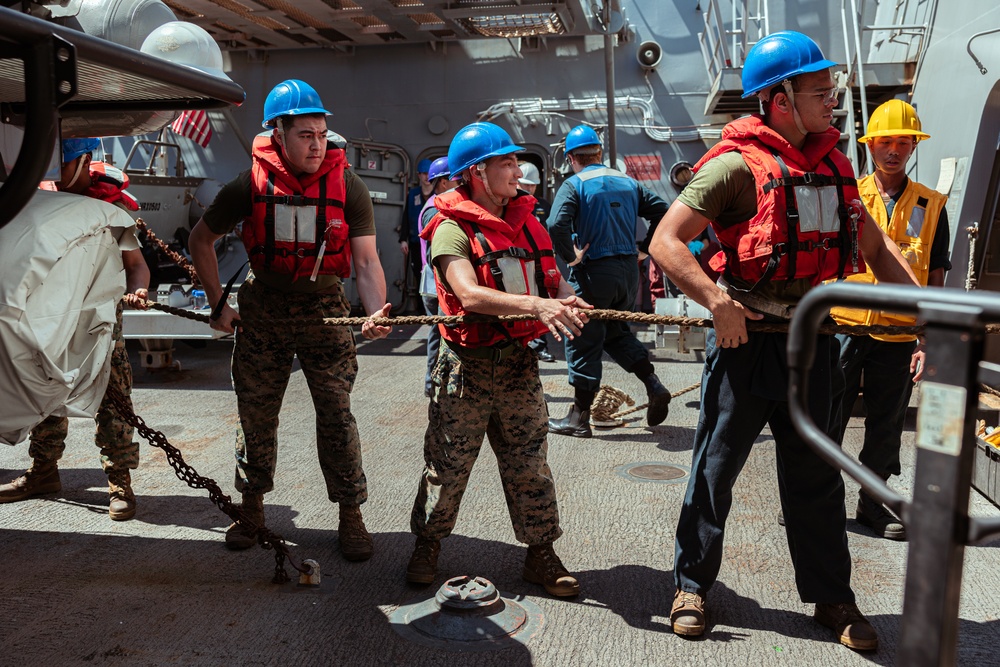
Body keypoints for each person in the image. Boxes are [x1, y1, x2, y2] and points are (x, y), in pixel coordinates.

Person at [648, 31, 919, 651]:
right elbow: (665, 242)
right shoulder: (731, 167)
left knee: (817, 476)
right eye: (820, 92)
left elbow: (874, 248)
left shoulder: (834, 166)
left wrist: (930, 312)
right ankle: (691, 585)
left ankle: (833, 598)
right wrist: (717, 302)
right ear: (779, 100)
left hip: (814, 346)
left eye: (831, 90)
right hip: (746, 344)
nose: (833, 102)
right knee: (715, 472)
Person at [188, 79, 391, 561]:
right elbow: (201, 240)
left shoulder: (349, 186)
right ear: (277, 134)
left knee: (337, 416)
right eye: (305, 134)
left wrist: (377, 312)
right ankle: (251, 507)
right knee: (255, 413)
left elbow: (365, 262)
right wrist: (218, 304)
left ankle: (350, 513)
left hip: (325, 311)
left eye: (322, 133)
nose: (317, 144)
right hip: (264, 310)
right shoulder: (248, 186)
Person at [406, 122, 590, 597]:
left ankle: (541, 553)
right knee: (446, 466)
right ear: (476, 174)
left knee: (530, 462)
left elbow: (553, 280)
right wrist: (538, 307)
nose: (517, 170)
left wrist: (569, 299)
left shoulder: (530, 223)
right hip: (465, 368)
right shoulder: (450, 228)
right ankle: (428, 543)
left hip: (517, 366)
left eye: (516, 161)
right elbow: (467, 293)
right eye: (505, 163)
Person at [0, 137, 150, 521]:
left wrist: (138, 290)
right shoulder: (42, 205)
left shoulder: (108, 208)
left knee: (112, 401)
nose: (51, 172)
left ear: (84, 161)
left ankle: (120, 484)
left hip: (100, 327)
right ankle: (43, 472)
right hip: (55, 320)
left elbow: (136, 266)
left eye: (59, 164)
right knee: (47, 390)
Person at [830, 99, 950, 541]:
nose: (894, 150)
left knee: (886, 422)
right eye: (886, 141)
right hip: (844, 326)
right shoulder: (848, 195)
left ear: (913, 146)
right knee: (830, 416)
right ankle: (817, 503)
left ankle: (873, 505)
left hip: (899, 333)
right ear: (871, 145)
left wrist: (926, 339)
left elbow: (935, 275)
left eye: (904, 142)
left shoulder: (932, 205)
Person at [547, 125, 671, 438]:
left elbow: (556, 223)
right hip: (629, 274)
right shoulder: (629, 182)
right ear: (599, 154)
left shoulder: (574, 184)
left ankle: (578, 418)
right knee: (616, 332)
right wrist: (644, 250)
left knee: (582, 337)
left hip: (593, 274)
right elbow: (663, 211)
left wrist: (571, 257)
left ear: (572, 158)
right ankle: (653, 385)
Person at [417, 156, 452, 397]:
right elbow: (435, 254)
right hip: (434, 284)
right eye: (455, 179)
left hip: (435, 282)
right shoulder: (434, 209)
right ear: (441, 182)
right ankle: (432, 383)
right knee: (438, 332)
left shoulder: (438, 204)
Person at [518, 161, 556, 362]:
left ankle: (540, 345)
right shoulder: (507, 206)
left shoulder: (543, 206)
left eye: (532, 185)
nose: (529, 189)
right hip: (516, 264)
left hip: (539, 263)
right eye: (525, 185)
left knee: (542, 301)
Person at [400, 157, 435, 294]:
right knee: (419, 275)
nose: (427, 177)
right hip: (416, 242)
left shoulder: (438, 193)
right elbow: (406, 217)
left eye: (429, 173)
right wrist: (403, 239)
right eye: (424, 173)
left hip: (433, 242)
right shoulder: (413, 194)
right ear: (419, 175)